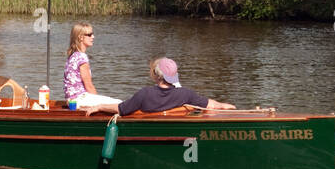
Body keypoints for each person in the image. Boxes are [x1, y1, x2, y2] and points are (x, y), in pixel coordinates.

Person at [88, 57, 235, 116]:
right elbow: (212, 105)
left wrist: (100, 106)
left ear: (156, 75)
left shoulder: (144, 94)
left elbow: (121, 109)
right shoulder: (185, 94)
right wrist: (227, 106)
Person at [63, 23, 121, 110]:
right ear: (80, 37)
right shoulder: (82, 57)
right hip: (80, 99)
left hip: (71, 101)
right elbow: (89, 86)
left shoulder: (72, 56)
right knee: (120, 104)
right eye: (89, 35)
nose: (93, 37)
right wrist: (98, 106)